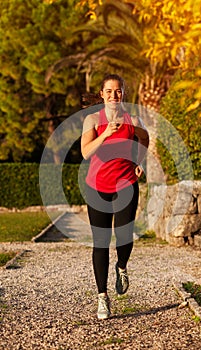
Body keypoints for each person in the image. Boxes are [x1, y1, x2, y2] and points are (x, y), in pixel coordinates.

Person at [81, 74, 149, 320]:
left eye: (118, 91)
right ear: (101, 94)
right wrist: (105, 134)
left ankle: (122, 267)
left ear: (123, 93)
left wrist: (139, 161)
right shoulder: (92, 119)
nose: (113, 95)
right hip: (97, 187)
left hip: (126, 184)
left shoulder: (134, 120)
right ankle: (103, 298)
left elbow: (144, 139)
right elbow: (86, 152)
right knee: (100, 242)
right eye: (108, 91)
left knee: (124, 236)